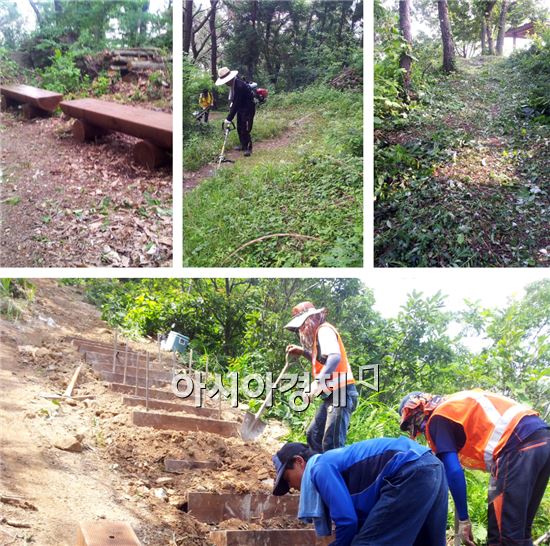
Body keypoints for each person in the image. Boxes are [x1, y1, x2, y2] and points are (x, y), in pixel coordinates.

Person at [399, 390, 550, 546]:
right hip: (541, 440)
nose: (418, 430)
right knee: (519, 531)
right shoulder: (454, 405)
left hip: (516, 446)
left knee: (502, 536)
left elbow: (453, 471)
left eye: (414, 423)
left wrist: (463, 520)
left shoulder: (438, 418)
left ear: (418, 412)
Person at [272, 438, 448, 546]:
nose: (293, 488)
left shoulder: (320, 467)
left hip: (408, 470)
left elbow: (347, 522)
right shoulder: (339, 466)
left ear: (299, 462)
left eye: (288, 480)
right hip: (431, 465)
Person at [285, 301, 358, 452]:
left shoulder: (324, 331)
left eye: (303, 325)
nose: (301, 330)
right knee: (314, 435)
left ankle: (334, 473)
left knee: (332, 444)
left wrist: (317, 382)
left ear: (313, 319)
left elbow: (334, 357)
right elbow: (322, 359)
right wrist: (303, 352)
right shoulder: (319, 337)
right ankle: (316, 472)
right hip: (332, 395)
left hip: (341, 393)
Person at [215, 66, 255, 157]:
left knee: (245, 128)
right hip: (241, 107)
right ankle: (242, 144)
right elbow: (234, 101)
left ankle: (248, 148)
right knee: (240, 127)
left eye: (226, 81)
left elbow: (236, 103)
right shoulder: (234, 84)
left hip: (248, 108)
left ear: (230, 79)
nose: (225, 83)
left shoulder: (239, 86)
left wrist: (229, 118)